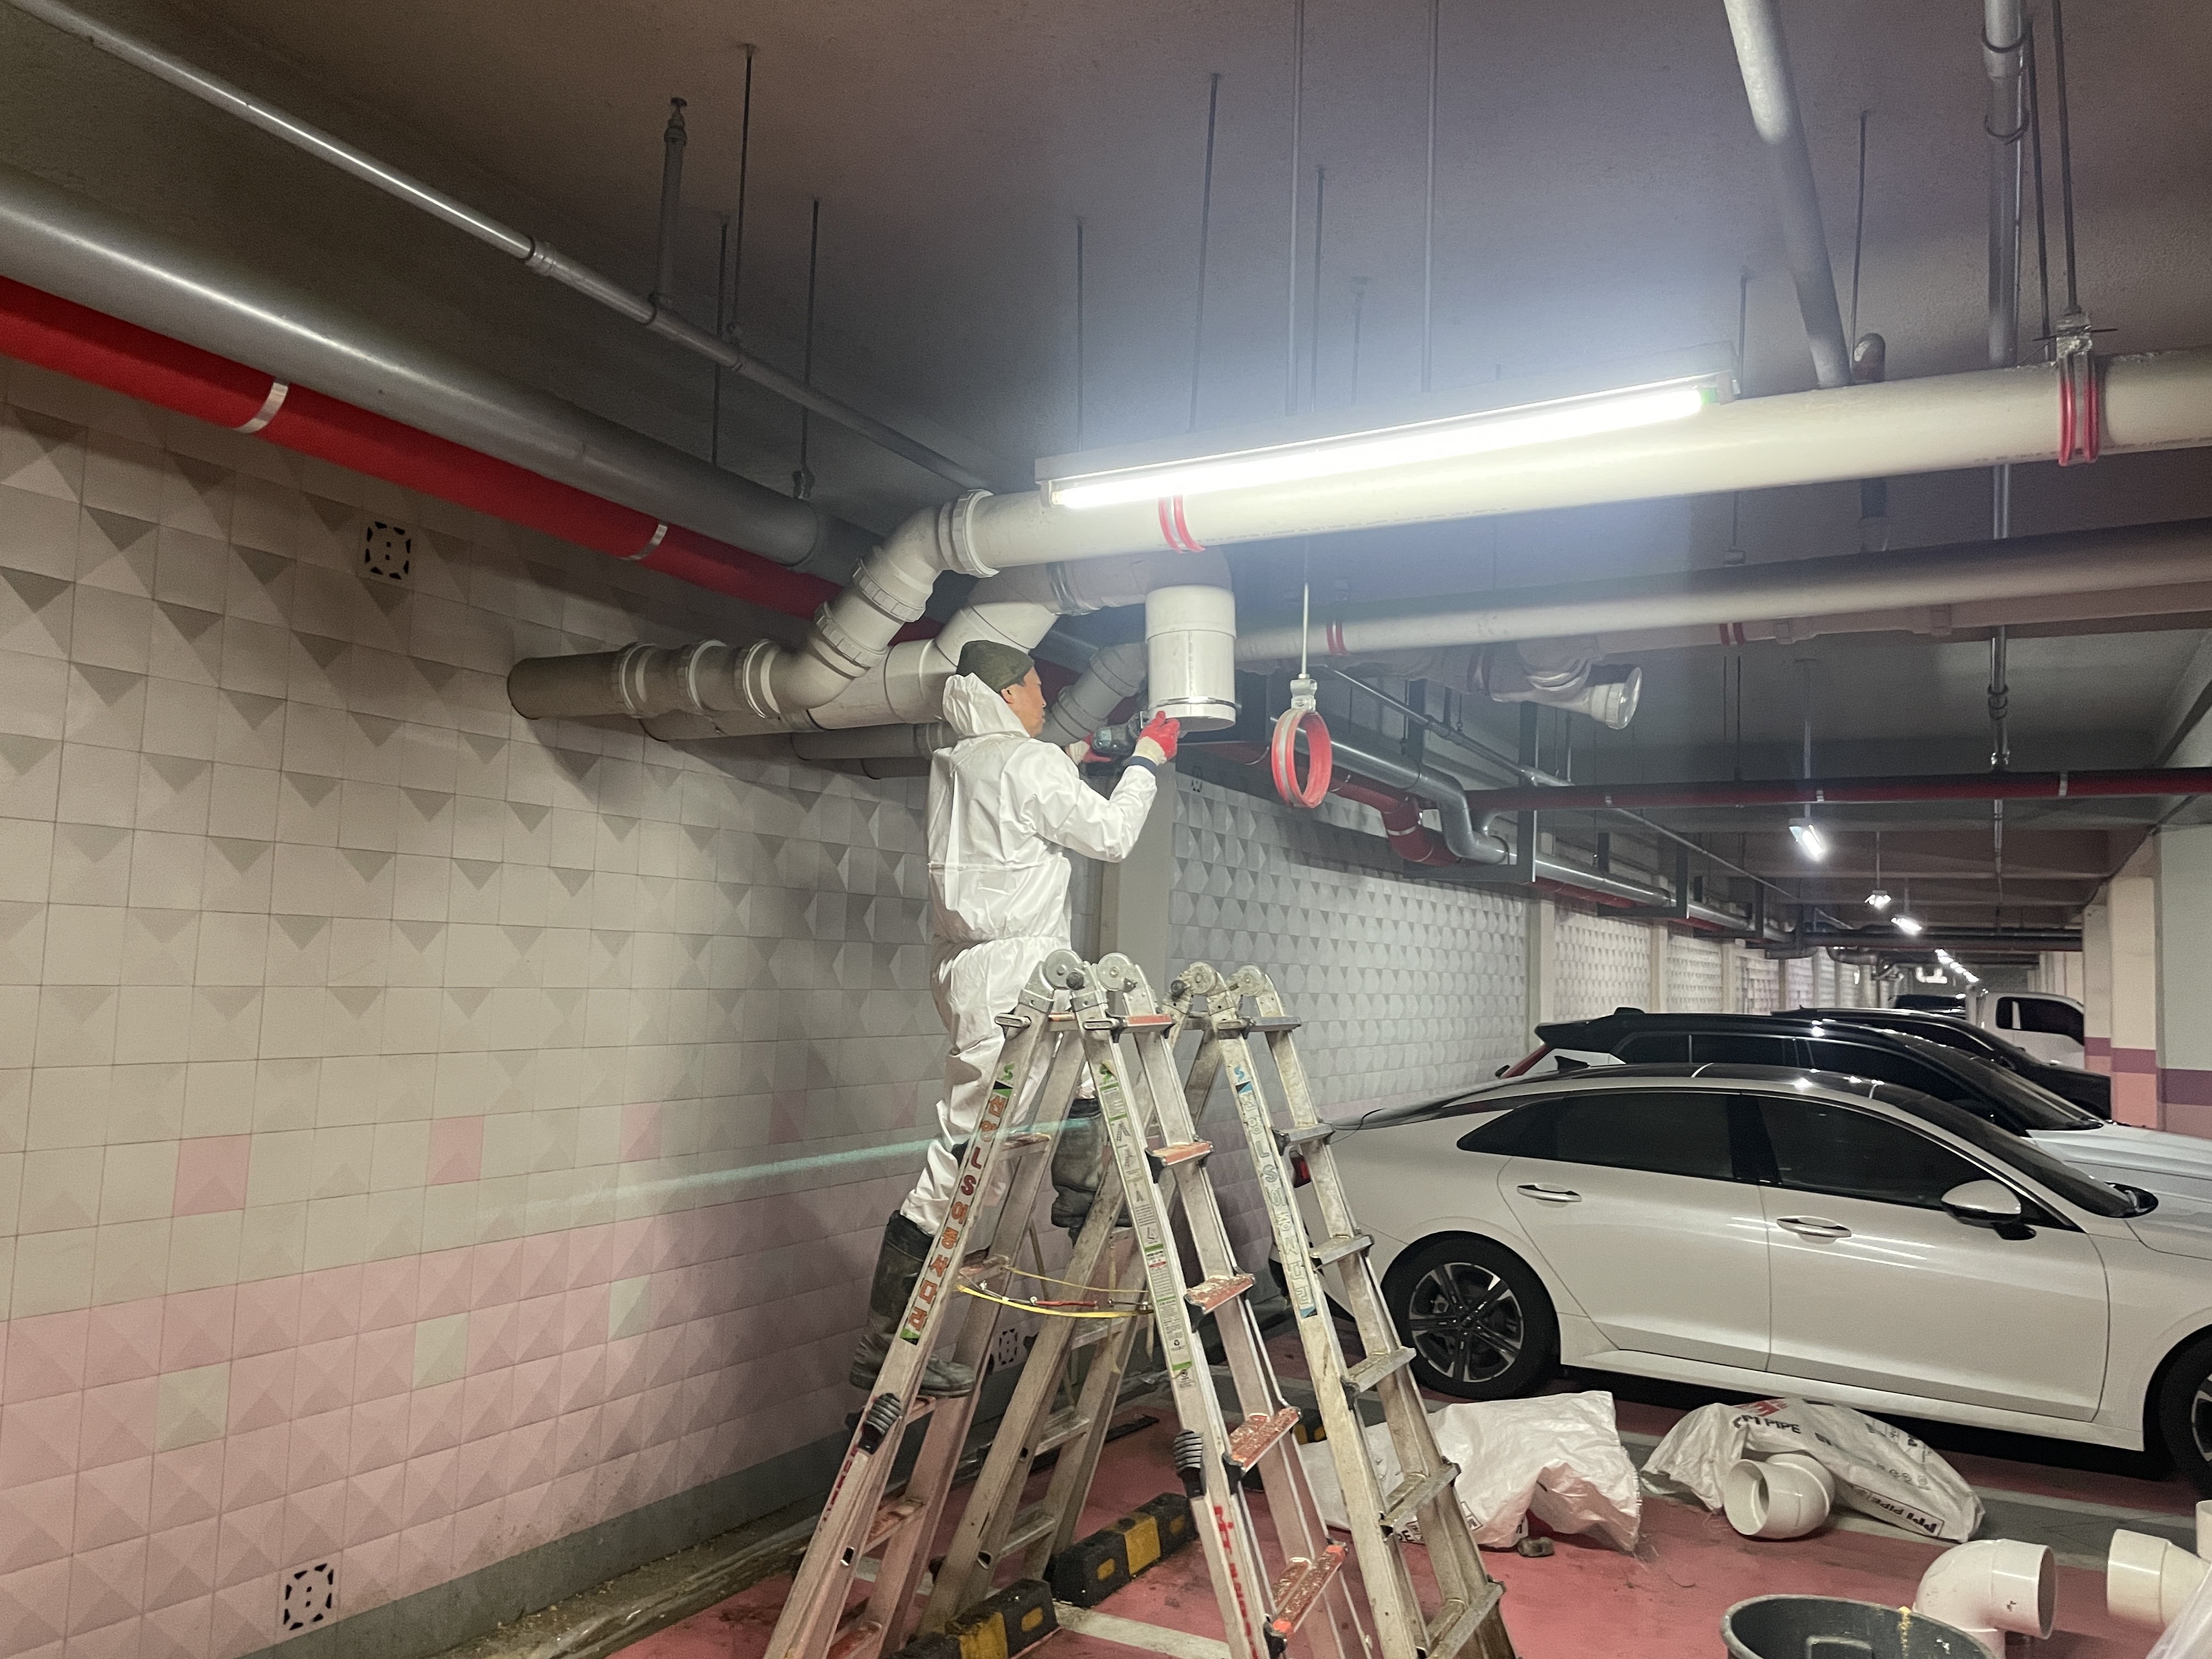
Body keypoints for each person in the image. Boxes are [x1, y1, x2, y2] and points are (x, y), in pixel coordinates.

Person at [849, 639, 1180, 1397]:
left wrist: (1080, 754)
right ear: (1006, 694)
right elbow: (1112, 836)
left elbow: (1024, 797)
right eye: (1034, 686)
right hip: (1012, 976)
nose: (1043, 697)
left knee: (1080, 1073)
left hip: (976, 968)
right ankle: (884, 1348)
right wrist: (1148, 759)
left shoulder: (959, 763)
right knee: (965, 1162)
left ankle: (1081, 1197)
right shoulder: (1027, 765)